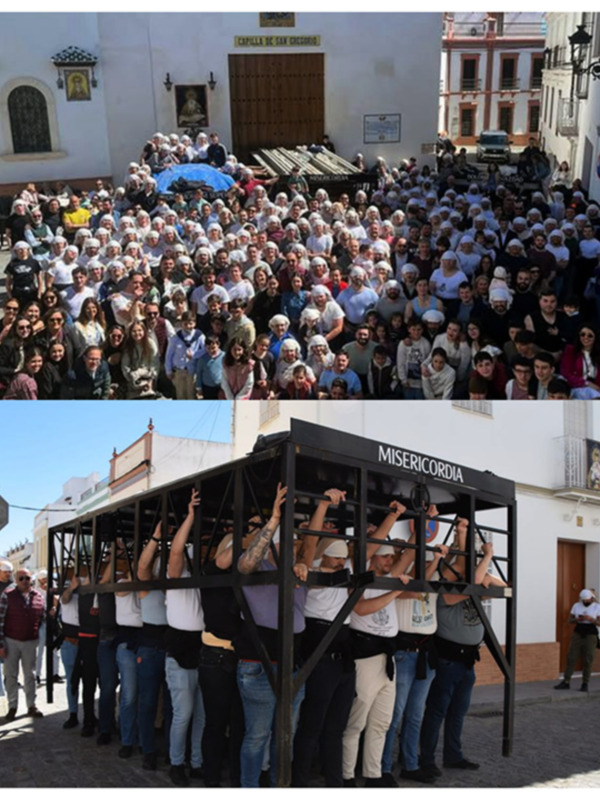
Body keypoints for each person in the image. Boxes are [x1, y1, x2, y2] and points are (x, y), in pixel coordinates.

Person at [420, 524, 504, 777]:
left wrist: (486, 575)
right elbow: (474, 583)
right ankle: (426, 759)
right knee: (437, 711)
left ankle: (453, 755)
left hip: (467, 661)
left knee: (458, 711)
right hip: (448, 659)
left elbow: (504, 585)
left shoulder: (473, 585)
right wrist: (487, 558)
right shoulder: (447, 590)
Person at [342, 508, 411, 788]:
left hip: (386, 657)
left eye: (390, 557)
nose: (390, 560)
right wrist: (394, 591)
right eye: (385, 556)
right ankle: (347, 775)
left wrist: (419, 529)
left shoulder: (387, 575)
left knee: (381, 721)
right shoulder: (359, 577)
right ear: (373, 558)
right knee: (356, 722)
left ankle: (373, 774)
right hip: (365, 656)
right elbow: (361, 608)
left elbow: (408, 556)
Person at [165, 489, 205, 786]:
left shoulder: (207, 575)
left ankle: (196, 761)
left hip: (203, 648)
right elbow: (176, 552)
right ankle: (177, 762)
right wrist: (190, 517)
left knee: (201, 714)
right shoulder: (177, 577)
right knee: (184, 713)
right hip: (179, 649)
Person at [0, 568, 45, 721]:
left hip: (30, 641)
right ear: (16, 580)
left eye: (27, 578)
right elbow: (0, 620)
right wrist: (1, 644)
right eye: (21, 578)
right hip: (11, 640)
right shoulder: (7, 596)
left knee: (30, 675)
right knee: (10, 675)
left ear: (31, 579)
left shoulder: (38, 596)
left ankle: (31, 705)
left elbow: (43, 617)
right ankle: (12, 706)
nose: (25, 581)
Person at [554, 589, 600, 692]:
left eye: (587, 600)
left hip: (590, 634)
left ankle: (585, 683)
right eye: (583, 600)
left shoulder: (597, 607)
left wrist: (591, 620)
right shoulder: (576, 606)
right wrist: (577, 620)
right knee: (571, 657)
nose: (585, 602)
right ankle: (566, 681)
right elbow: (569, 620)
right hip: (578, 632)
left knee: (588, 658)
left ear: (591, 599)